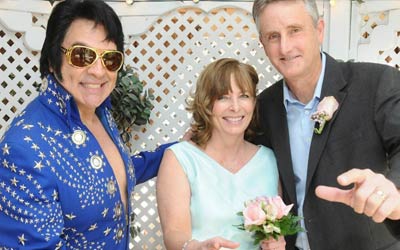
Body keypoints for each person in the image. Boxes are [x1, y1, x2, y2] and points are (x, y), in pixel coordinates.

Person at [0, 0, 173, 249]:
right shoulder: (23, 149)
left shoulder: (98, 112)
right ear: (52, 59)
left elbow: (112, 175)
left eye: (110, 59)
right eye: (82, 56)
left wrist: (177, 150)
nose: (99, 71)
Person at [252, 0, 400, 249]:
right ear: (263, 44)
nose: (285, 47)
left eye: (294, 30)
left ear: (319, 30)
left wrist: (394, 187)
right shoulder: (263, 107)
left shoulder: (376, 82)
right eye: (273, 36)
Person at [156, 58, 286, 250]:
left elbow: (276, 231)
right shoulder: (179, 159)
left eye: (244, 96)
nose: (235, 107)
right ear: (206, 104)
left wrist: (276, 243)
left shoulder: (269, 160)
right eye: (223, 97)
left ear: (253, 102)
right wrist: (197, 247)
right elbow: (174, 234)